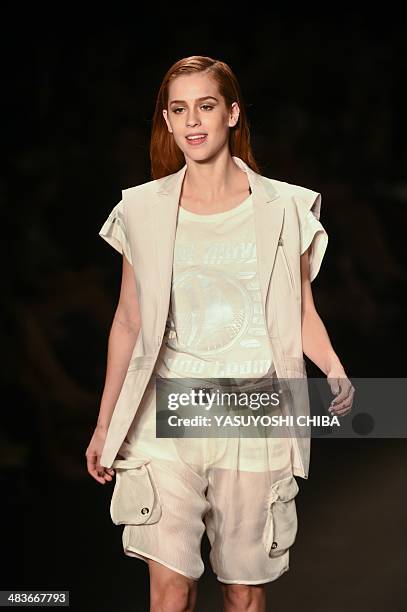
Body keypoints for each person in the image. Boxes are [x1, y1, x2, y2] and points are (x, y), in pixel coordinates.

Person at [86, 55, 354, 612]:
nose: (193, 121)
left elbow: (300, 309)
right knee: (171, 588)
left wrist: (331, 365)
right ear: (166, 118)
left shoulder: (285, 208)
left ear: (231, 113)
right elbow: (129, 320)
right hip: (165, 413)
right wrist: (106, 421)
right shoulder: (140, 209)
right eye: (179, 109)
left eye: (206, 106)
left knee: (243, 590)